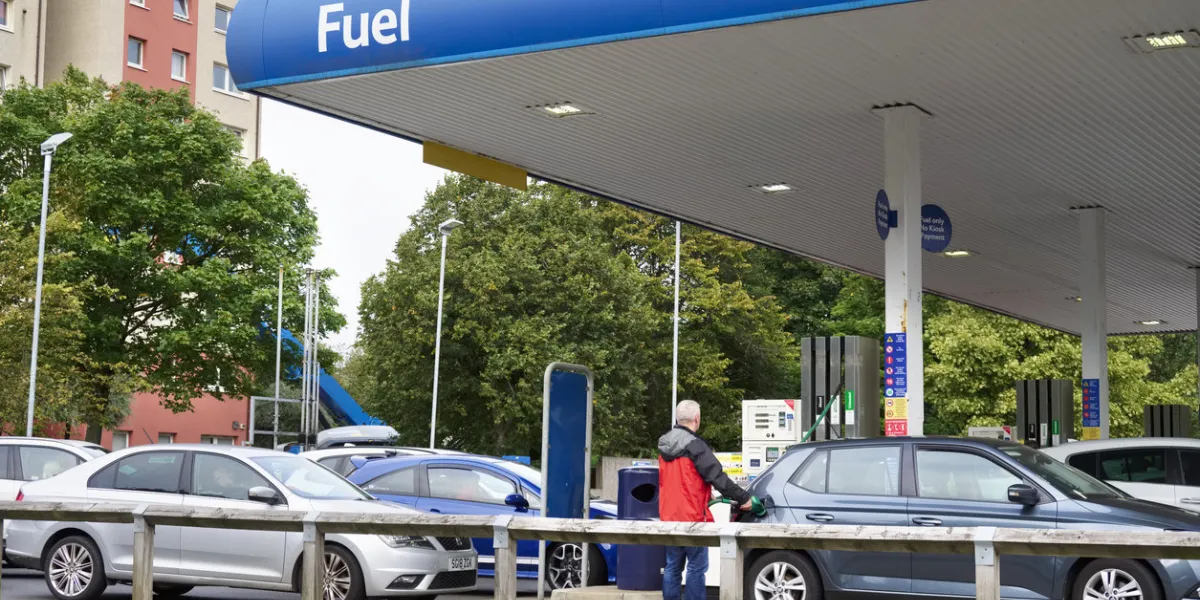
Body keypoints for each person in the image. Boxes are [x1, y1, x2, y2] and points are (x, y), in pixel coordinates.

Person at [658, 400, 753, 600]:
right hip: (692, 518)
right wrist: (744, 498)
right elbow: (718, 477)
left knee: (672, 566)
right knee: (696, 566)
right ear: (697, 418)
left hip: (668, 517)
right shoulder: (696, 445)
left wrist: (703, 490)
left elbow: (681, 477)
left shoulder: (664, 444)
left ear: (677, 418)